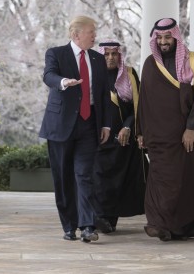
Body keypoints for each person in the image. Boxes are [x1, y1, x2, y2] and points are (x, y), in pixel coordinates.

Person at [136, 18, 194, 241]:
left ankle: (179, 228)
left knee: (184, 182)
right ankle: (158, 224)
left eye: (168, 37)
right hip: (158, 137)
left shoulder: (193, 61)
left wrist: (191, 128)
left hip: (186, 136)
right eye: (160, 38)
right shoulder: (150, 64)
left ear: (176, 37)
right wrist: (140, 131)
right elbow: (144, 102)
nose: (164, 42)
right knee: (160, 180)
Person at [39, 15, 111, 243]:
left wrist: (106, 123)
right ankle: (69, 226)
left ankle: (87, 226)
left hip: (89, 125)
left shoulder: (98, 60)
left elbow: (104, 95)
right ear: (76, 34)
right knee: (63, 177)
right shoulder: (56, 53)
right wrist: (63, 82)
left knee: (85, 176)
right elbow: (48, 75)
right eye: (91, 32)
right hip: (61, 125)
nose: (95, 36)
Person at [92, 39, 149, 234]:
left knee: (118, 182)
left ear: (119, 55)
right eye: (106, 54)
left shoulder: (129, 75)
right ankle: (98, 217)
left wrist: (128, 127)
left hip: (123, 140)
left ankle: (109, 220)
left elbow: (139, 106)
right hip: (99, 139)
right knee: (99, 181)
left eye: (113, 54)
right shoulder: (93, 75)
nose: (110, 58)